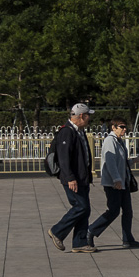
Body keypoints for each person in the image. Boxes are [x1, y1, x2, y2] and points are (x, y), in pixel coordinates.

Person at [47, 103, 98, 254]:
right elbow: (64, 158)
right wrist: (70, 178)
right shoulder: (67, 132)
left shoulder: (79, 131)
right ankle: (57, 231)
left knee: (85, 209)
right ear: (81, 116)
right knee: (80, 206)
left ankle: (80, 242)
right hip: (73, 178)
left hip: (81, 178)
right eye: (89, 116)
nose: (90, 119)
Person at [88, 117, 139, 248]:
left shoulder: (119, 141)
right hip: (113, 183)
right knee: (113, 211)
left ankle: (128, 239)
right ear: (113, 127)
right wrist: (116, 179)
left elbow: (121, 162)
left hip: (123, 182)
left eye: (125, 127)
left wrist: (134, 161)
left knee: (128, 211)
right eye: (122, 127)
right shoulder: (110, 141)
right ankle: (91, 231)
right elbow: (110, 162)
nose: (124, 130)